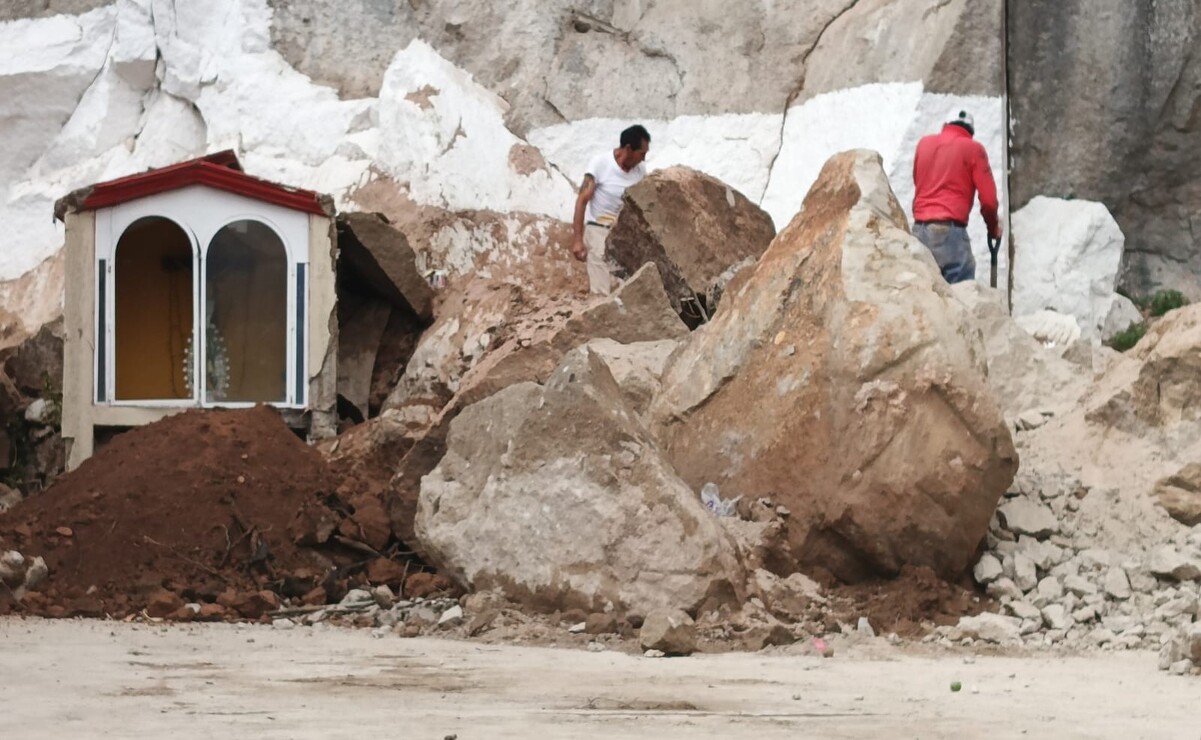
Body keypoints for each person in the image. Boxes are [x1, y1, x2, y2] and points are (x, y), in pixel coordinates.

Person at [911, 110, 1001, 284]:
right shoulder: (973, 149)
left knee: (922, 295)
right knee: (961, 296)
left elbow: (918, 180)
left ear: (946, 124)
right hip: (950, 234)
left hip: (918, 232)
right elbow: (989, 201)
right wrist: (993, 228)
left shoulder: (924, 144)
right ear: (970, 132)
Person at [571, 125, 651, 295]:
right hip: (599, 228)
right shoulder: (601, 164)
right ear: (629, 149)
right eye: (641, 154)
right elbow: (582, 200)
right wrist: (578, 239)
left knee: (628, 286)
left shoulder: (640, 172)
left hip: (624, 234)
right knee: (600, 281)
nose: (643, 159)